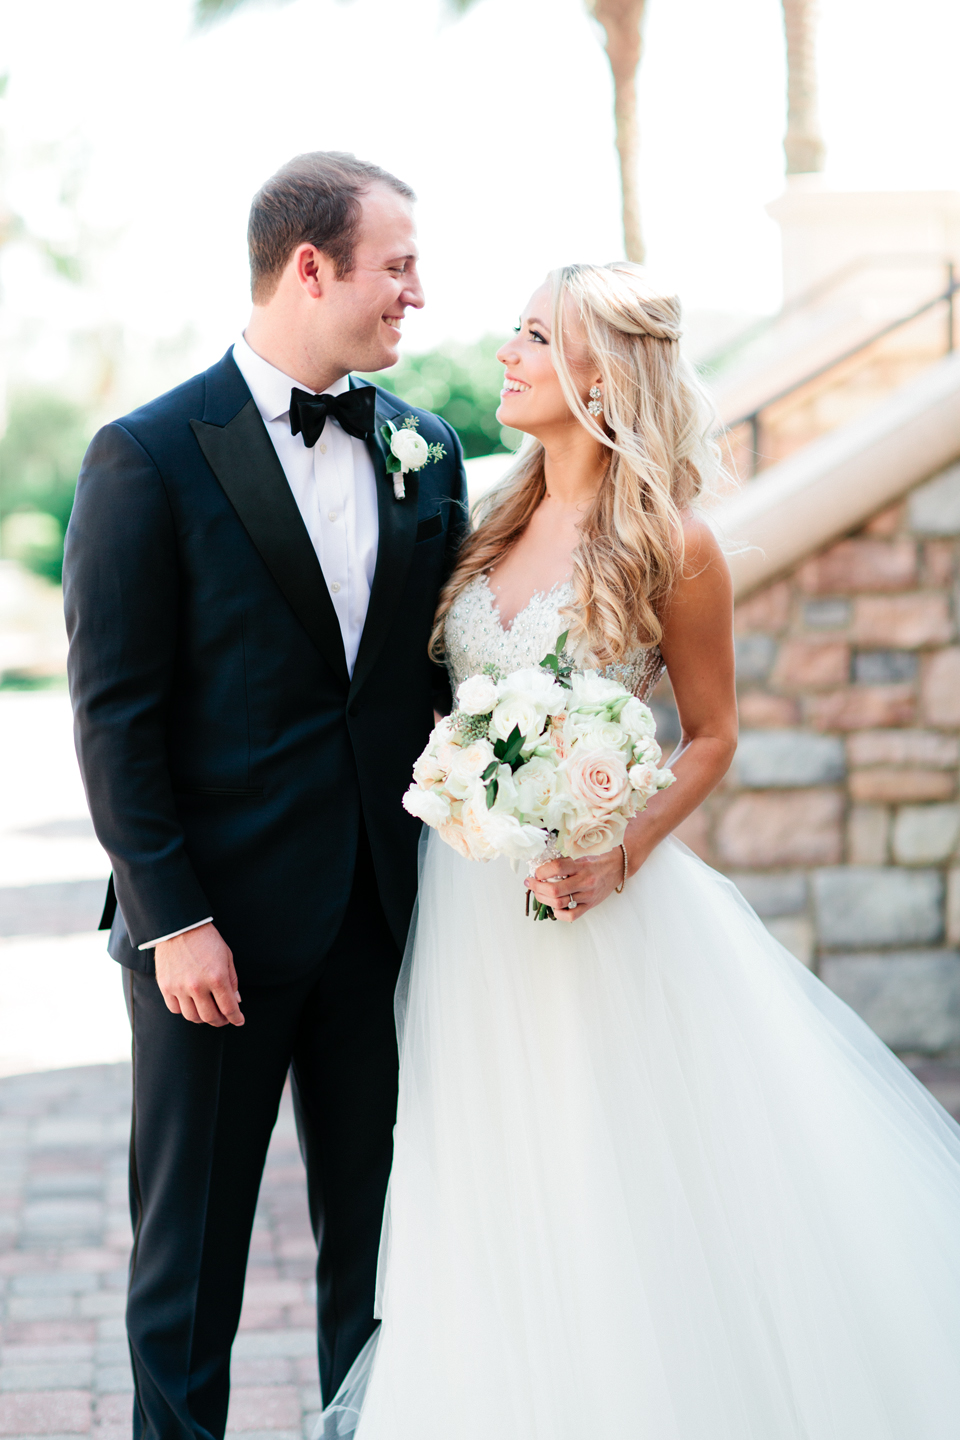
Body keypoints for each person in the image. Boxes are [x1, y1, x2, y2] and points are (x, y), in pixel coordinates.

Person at [321, 262, 960, 1438]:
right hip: (468, 906)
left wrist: (619, 852)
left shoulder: (674, 542)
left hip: (600, 902)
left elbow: (713, 735)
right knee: (486, 1164)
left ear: (599, 374)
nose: (505, 355)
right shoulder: (483, 518)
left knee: (607, 1172)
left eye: (530, 337)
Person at [63, 151, 467, 1440]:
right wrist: (173, 918)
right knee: (187, 1271)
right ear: (311, 267)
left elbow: (439, 683)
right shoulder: (149, 455)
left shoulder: (426, 448)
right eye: (395, 266)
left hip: (384, 922)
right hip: (213, 938)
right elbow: (113, 714)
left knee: (382, 1253)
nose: (417, 293)